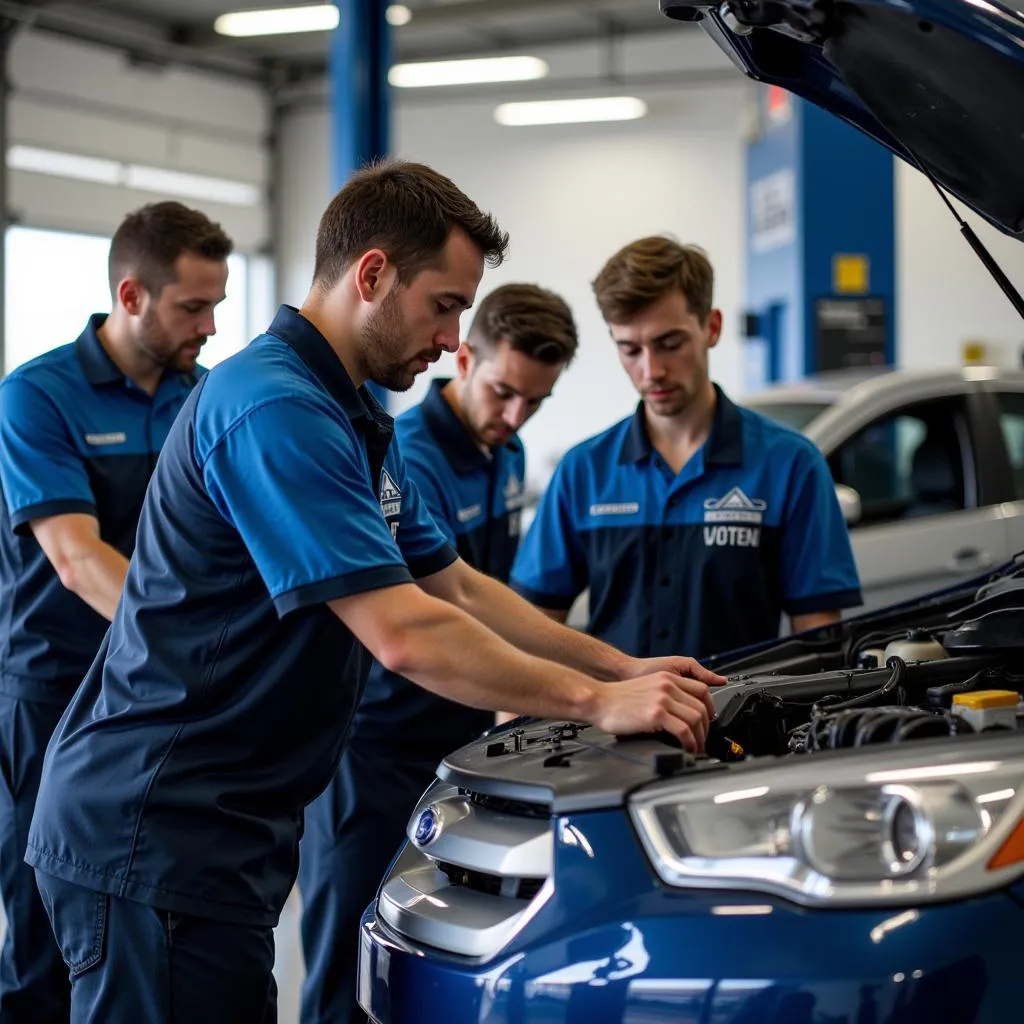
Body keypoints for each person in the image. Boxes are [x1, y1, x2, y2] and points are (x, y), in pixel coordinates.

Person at [25, 161, 722, 1021]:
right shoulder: (273, 408)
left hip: (224, 827)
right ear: (374, 274)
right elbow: (404, 632)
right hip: (156, 824)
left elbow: (458, 588)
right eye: (445, 304)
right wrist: (592, 701)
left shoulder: (350, 417)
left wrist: (622, 668)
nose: (451, 334)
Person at [298, 282, 579, 1024]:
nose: (514, 416)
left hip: (454, 746)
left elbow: (488, 593)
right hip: (371, 747)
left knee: (432, 949)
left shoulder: (506, 454)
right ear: (463, 357)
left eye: (536, 403)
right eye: (503, 392)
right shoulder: (407, 458)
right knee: (346, 960)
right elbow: (436, 609)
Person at [0, 201, 232, 1023]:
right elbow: (75, 558)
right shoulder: (38, 396)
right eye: (192, 307)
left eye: (217, 305)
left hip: (158, 693)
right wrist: (193, 641)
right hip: (56, 686)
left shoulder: (204, 396)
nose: (209, 325)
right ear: (132, 296)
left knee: (139, 908)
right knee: (42, 921)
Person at [511, 235, 862, 660]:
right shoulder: (584, 471)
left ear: (711, 327)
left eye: (669, 344)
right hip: (611, 725)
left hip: (744, 723)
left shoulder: (790, 465)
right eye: (630, 349)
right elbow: (533, 632)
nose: (651, 370)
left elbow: (819, 643)